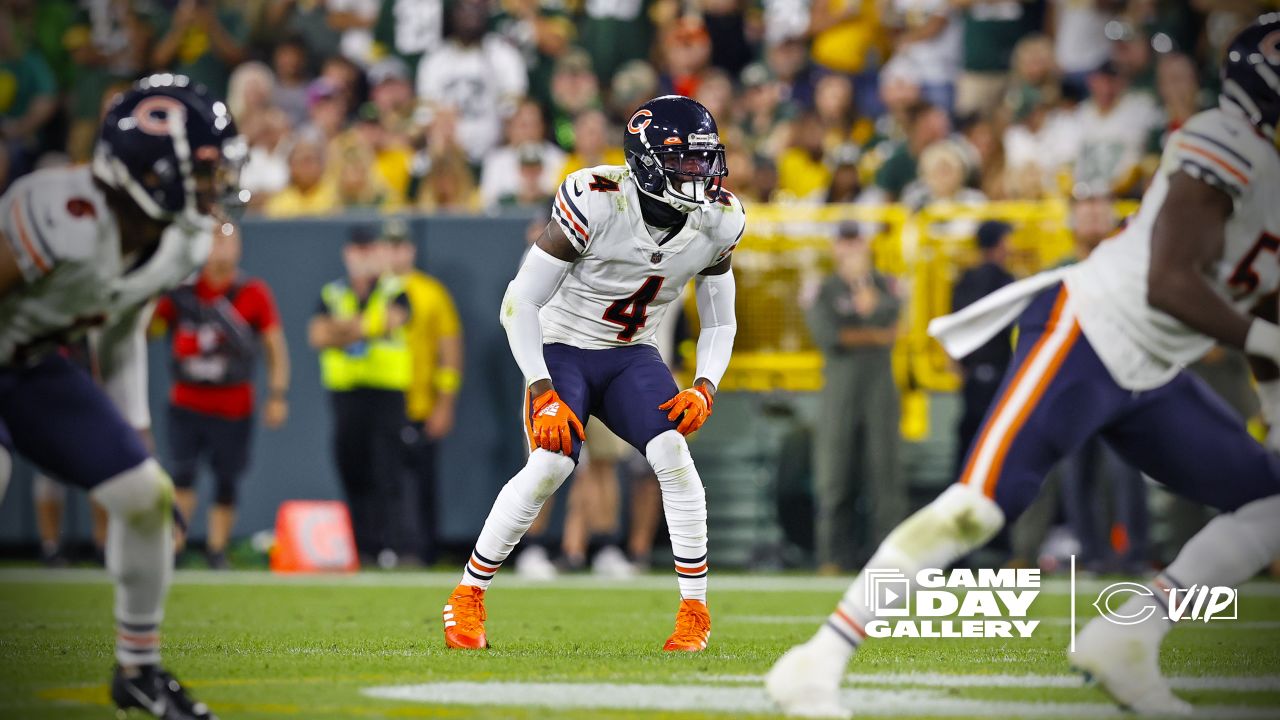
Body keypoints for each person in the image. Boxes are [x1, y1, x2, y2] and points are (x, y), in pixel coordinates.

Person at [765, 17, 1280, 717]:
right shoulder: (1227, 138)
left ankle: (1128, 639)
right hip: (1089, 331)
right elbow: (1170, 281)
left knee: (1268, 501)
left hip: (1154, 367)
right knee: (978, 509)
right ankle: (818, 659)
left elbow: (1266, 319)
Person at [442, 95, 743, 653]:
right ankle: (467, 596)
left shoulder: (720, 219)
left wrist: (705, 385)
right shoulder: (597, 200)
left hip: (631, 353)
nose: (699, 172)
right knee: (551, 463)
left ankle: (694, 613)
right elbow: (519, 303)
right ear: (647, 161)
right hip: (563, 346)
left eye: (704, 159)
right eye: (683, 159)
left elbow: (721, 321)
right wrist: (540, 388)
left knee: (673, 455)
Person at [0, 73, 240, 719]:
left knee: (146, 498)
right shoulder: (60, 212)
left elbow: (123, 331)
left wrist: (135, 438)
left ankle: (138, 671)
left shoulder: (181, 238)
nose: (215, 186)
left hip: (35, 367)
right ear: (150, 172)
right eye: (205, 169)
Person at [151, 221, 289, 569]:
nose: (220, 248)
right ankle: (175, 547)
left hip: (233, 404)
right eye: (213, 240)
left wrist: (277, 394)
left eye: (227, 240)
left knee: (227, 479)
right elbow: (147, 330)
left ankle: (216, 549)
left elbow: (274, 347)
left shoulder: (253, 292)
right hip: (187, 400)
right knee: (182, 475)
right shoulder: (180, 292)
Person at [308, 227, 413, 567]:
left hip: (386, 392)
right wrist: (361, 326)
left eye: (369, 248)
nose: (363, 256)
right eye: (357, 248)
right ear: (347, 254)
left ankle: (394, 546)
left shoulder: (395, 290)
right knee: (352, 467)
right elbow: (317, 335)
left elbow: (387, 323)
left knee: (388, 469)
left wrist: (343, 328)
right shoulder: (332, 291)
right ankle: (363, 547)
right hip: (346, 393)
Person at [806, 221, 904, 573]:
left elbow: (894, 326)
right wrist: (875, 334)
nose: (850, 251)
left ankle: (889, 559)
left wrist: (868, 301)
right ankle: (832, 556)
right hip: (840, 389)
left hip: (880, 387)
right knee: (833, 474)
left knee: (885, 473)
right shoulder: (823, 288)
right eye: (844, 242)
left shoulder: (886, 284)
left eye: (855, 242)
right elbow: (828, 335)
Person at [386, 221, 463, 564]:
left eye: (400, 246)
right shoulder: (371, 289)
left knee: (420, 481)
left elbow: (450, 348)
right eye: (389, 246)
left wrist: (444, 402)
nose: (395, 253)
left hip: (418, 401)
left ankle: (422, 549)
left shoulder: (431, 292)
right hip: (378, 401)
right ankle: (385, 547)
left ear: (411, 249)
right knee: (381, 480)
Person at [951, 221, 1015, 479]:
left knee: (969, 440)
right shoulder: (1004, 279)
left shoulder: (964, 279)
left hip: (971, 372)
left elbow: (953, 325)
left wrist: (960, 365)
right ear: (998, 243)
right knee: (997, 440)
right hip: (998, 371)